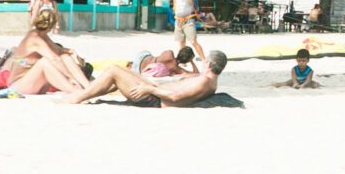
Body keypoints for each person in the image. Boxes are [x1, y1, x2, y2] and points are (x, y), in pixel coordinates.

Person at [62, 49, 227, 107]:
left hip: (153, 97)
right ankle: (86, 92)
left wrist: (149, 88)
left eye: (205, 62)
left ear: (209, 65)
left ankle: (77, 98)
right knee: (121, 71)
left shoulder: (205, 81)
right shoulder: (209, 80)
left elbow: (176, 96)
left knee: (113, 71)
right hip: (155, 91)